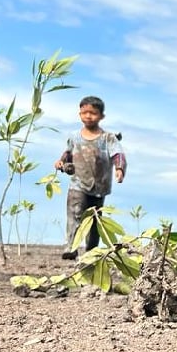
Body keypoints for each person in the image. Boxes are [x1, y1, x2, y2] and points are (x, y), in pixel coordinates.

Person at [54, 96, 126, 260]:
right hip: (77, 184)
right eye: (84, 113)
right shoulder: (75, 137)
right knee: (75, 214)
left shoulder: (108, 138)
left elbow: (117, 154)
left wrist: (119, 169)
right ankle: (71, 247)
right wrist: (61, 163)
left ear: (101, 116)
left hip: (99, 187)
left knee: (94, 221)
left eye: (92, 113)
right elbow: (68, 153)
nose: (88, 116)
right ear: (79, 114)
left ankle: (91, 251)